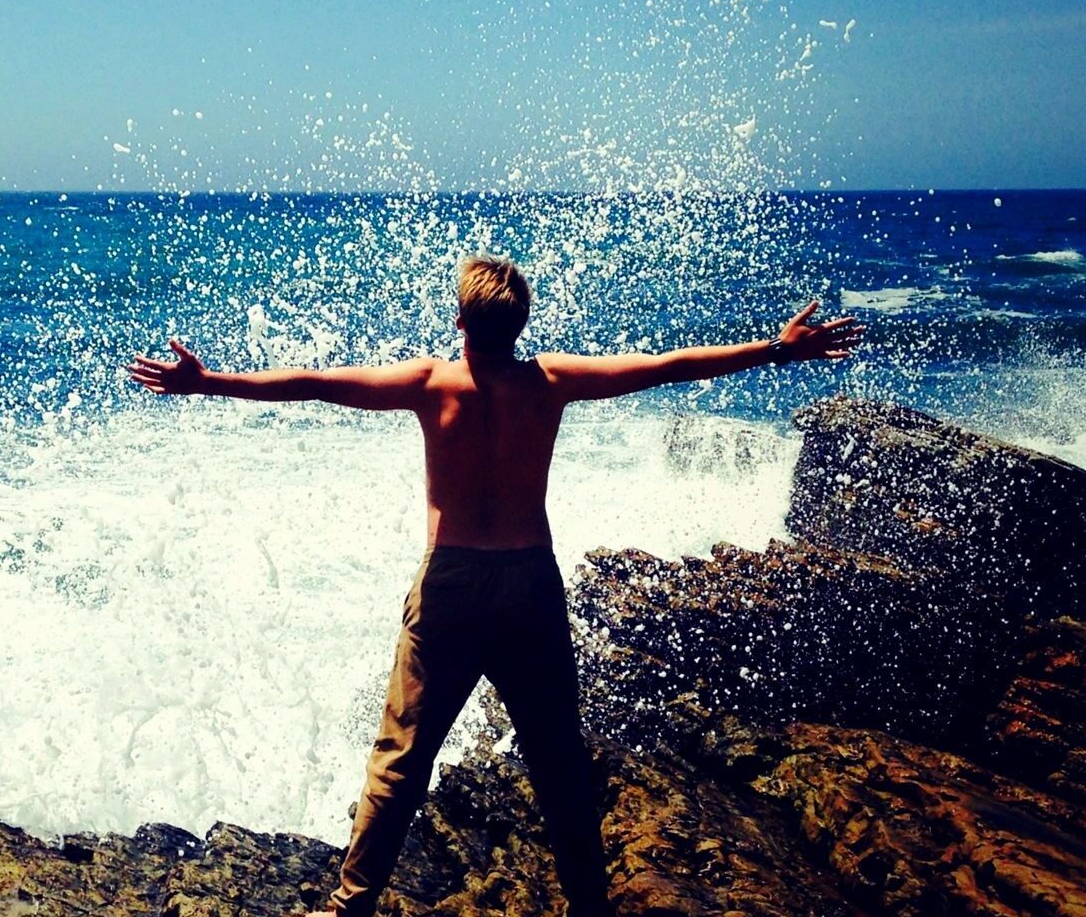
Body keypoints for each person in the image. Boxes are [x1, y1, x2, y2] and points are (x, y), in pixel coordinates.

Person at [127, 256, 865, 917]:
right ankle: (588, 906)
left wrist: (207, 382)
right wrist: (775, 349)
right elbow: (666, 365)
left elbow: (314, 386)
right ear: (521, 322)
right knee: (556, 758)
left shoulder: (429, 382)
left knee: (403, 756)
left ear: (459, 321)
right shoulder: (551, 383)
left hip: (450, 583)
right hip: (527, 585)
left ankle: (349, 907)